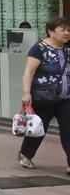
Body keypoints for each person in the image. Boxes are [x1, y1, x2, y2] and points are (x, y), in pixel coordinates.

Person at [17, 18, 70, 172]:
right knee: (39, 128)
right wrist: (26, 93)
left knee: (68, 130)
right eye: (63, 30)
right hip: (44, 97)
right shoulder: (39, 49)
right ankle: (26, 154)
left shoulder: (68, 48)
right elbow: (29, 72)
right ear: (51, 32)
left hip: (66, 98)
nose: (67, 33)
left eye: (68, 30)